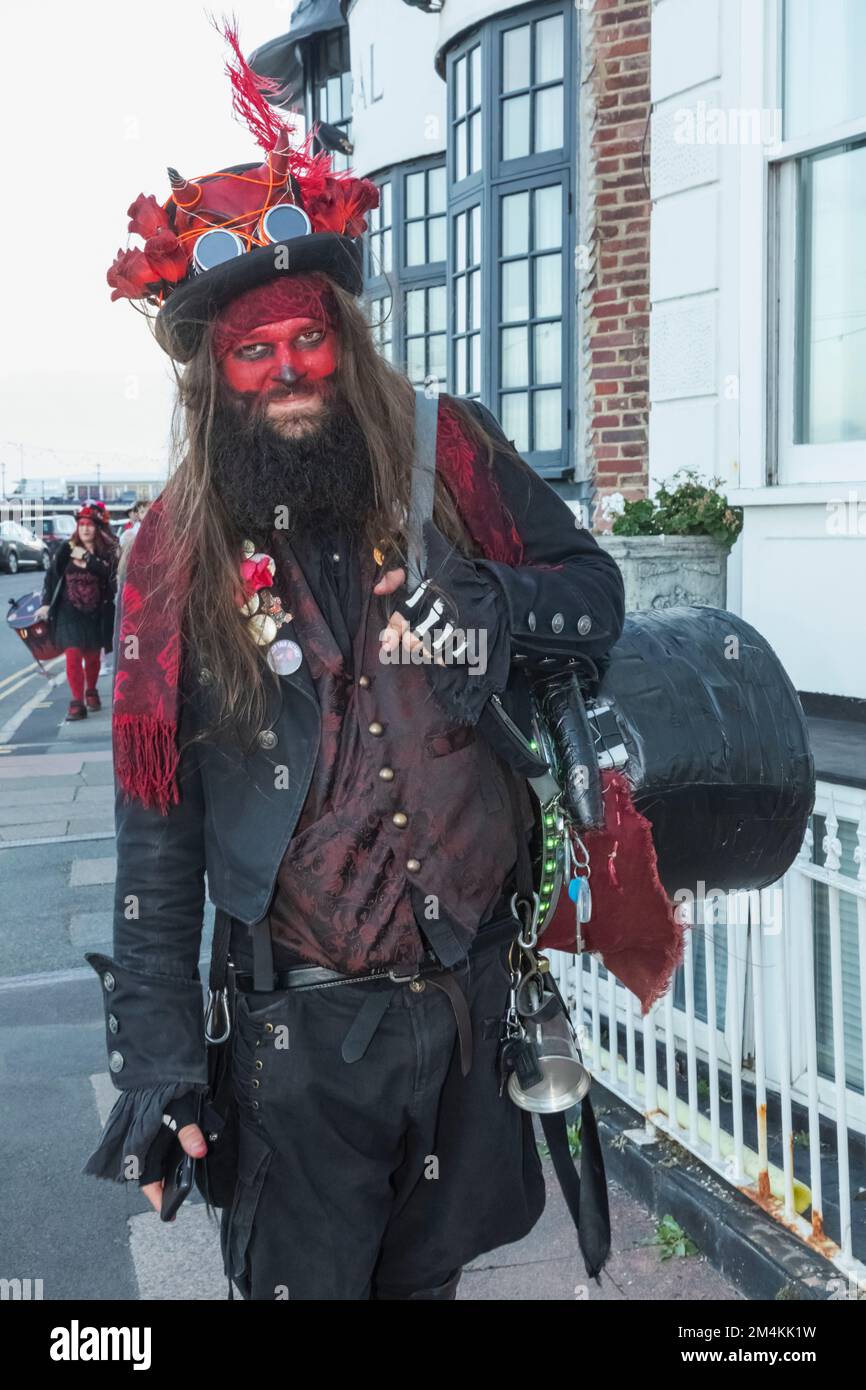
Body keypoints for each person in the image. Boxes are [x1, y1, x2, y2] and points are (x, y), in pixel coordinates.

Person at [84, 24, 625, 1300]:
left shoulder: (448, 452)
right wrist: (162, 1072)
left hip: (460, 1005)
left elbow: (592, 599)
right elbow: (154, 835)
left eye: (306, 340)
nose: (287, 373)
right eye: (254, 351)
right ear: (216, 375)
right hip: (294, 1042)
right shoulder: (171, 548)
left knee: (429, 1288)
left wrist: (480, 602)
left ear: (343, 333)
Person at [36, 504, 118, 720]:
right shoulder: (66, 548)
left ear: (97, 528)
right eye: (81, 525)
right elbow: (51, 577)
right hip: (68, 611)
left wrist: (89, 561)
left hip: (96, 612)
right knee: (72, 655)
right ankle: (77, 702)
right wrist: (45, 603)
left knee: (92, 657)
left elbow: (111, 576)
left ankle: (91, 690)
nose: (85, 529)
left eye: (89, 525)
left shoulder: (106, 551)